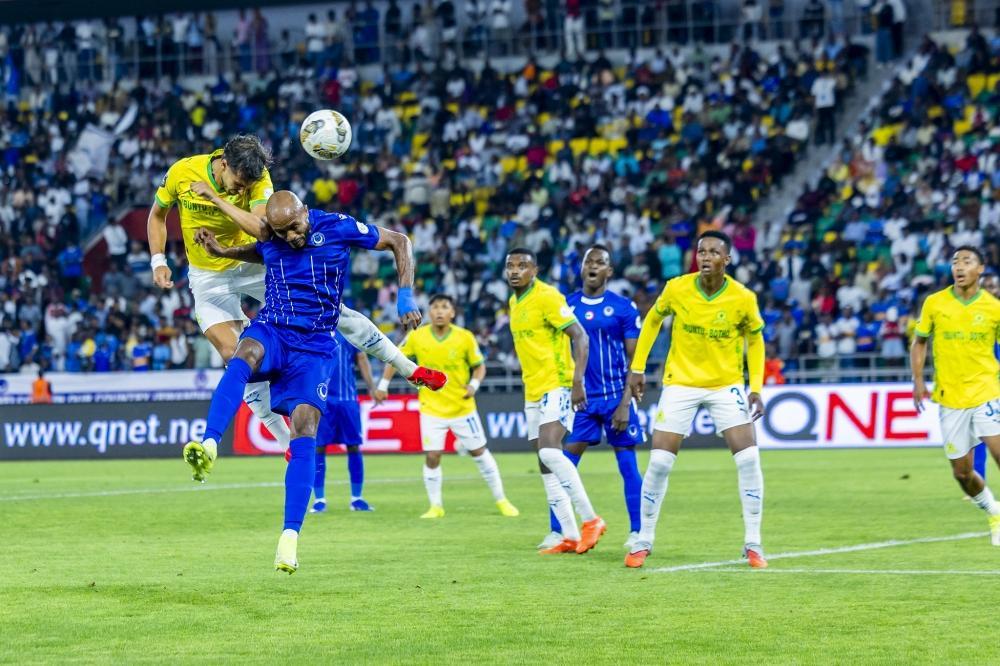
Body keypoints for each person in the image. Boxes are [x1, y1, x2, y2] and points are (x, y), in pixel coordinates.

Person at [187, 191, 445, 573]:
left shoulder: (338, 227)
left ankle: (289, 537)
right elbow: (260, 250)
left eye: (295, 227)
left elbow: (399, 240)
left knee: (305, 425)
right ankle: (209, 442)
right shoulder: (273, 235)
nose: (291, 237)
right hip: (274, 328)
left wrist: (405, 294)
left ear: (305, 212)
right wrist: (223, 251)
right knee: (242, 356)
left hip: (316, 345)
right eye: (282, 232)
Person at [149, 135, 440, 457]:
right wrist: (158, 260)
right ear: (224, 164)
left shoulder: (258, 177)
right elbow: (157, 216)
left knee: (334, 313)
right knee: (237, 357)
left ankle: (407, 367)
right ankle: (284, 441)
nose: (242, 191)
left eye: (246, 187)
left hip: (252, 264)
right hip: (208, 276)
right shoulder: (182, 172)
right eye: (238, 184)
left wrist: (217, 199)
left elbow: (263, 231)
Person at [625, 231, 767, 569]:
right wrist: (638, 367)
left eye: (714, 252)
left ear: (727, 260)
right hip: (681, 383)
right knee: (660, 463)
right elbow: (653, 320)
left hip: (725, 385)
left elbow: (755, 340)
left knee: (749, 459)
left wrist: (756, 387)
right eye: (702, 251)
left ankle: (753, 542)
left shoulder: (743, 298)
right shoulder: (677, 288)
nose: (705, 257)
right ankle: (643, 539)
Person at [375, 294, 519, 519]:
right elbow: (394, 357)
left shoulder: (465, 337)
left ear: (453, 313)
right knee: (433, 456)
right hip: (431, 408)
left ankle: (502, 500)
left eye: (444, 307)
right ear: (429, 312)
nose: (439, 311)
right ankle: (435, 506)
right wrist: (383, 385)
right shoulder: (417, 336)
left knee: (479, 453)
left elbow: (479, 367)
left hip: (462, 407)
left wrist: (473, 385)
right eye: (435, 307)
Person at [539, 245, 643, 550]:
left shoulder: (623, 307)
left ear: (609, 271)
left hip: (615, 397)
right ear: (582, 268)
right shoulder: (565, 305)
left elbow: (635, 360)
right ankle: (559, 530)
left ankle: (638, 531)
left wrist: (625, 403)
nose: (593, 266)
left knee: (628, 465)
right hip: (580, 399)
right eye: (589, 262)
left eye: (600, 262)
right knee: (563, 462)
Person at [505, 248, 605, 554]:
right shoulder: (514, 301)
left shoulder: (547, 297)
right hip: (532, 390)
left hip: (557, 384)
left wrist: (577, 382)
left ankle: (591, 519)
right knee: (544, 462)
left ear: (535, 270)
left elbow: (581, 336)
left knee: (550, 451)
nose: (515, 271)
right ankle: (569, 535)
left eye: (522, 266)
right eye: (510, 266)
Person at [911, 246, 1000, 547]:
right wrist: (918, 380)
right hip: (950, 397)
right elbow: (919, 342)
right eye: (955, 262)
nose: (959, 266)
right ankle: (994, 510)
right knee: (962, 473)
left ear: (980, 269)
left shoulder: (994, 308)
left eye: (967, 261)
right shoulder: (935, 303)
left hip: (987, 391)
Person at [310, 330, 379, 514]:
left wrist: (372, 388)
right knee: (318, 447)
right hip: (321, 400)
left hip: (347, 400)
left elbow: (362, 358)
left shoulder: (348, 331)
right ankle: (319, 499)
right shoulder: (313, 330)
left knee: (353, 446)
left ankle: (357, 498)